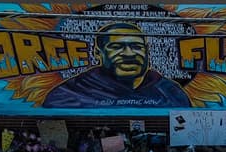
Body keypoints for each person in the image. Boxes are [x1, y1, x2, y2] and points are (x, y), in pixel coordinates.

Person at [42, 22, 191, 109]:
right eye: (116, 46)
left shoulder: (169, 91)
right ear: (98, 53)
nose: (129, 53)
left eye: (137, 46)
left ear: (147, 52)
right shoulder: (70, 92)